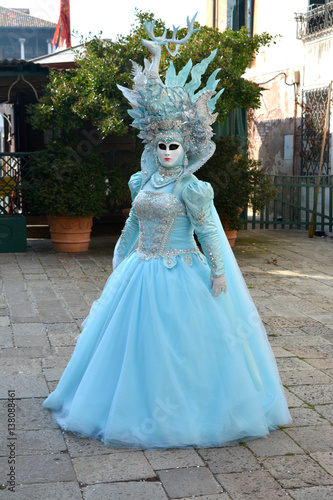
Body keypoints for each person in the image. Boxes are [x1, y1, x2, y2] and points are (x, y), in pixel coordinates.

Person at [43, 15, 291, 449]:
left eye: (174, 145)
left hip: (182, 271)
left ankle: (191, 411)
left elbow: (210, 233)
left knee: (184, 347)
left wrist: (218, 270)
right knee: (126, 345)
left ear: (186, 146)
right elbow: (133, 222)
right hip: (139, 270)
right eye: (161, 145)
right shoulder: (143, 181)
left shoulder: (193, 188)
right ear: (153, 145)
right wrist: (121, 253)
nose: (167, 152)